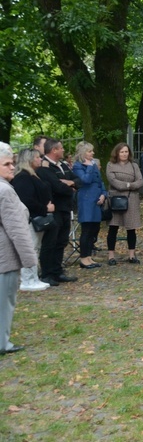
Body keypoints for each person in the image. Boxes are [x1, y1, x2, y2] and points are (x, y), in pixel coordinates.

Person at [0, 142, 38, 355]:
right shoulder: (5, 191)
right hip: (4, 257)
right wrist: (30, 260)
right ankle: (2, 343)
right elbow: (17, 230)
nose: (12, 167)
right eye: (6, 164)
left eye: (12, 163)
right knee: (4, 302)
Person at [37, 139, 80, 285]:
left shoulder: (63, 165)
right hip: (54, 208)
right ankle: (47, 273)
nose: (63, 150)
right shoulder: (44, 167)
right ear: (54, 150)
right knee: (50, 241)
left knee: (62, 240)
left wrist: (71, 183)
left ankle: (57, 271)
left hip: (66, 208)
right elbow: (56, 187)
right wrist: (69, 186)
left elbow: (78, 180)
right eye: (61, 148)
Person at [11, 148, 54, 291]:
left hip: (36, 216)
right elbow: (26, 200)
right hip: (30, 218)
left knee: (35, 247)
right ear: (29, 160)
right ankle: (27, 280)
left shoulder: (32, 175)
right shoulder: (23, 177)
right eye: (37, 157)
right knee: (31, 248)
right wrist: (45, 208)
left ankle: (34, 277)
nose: (40, 159)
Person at [105, 143, 143, 265]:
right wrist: (129, 185)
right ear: (117, 153)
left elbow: (140, 181)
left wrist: (127, 186)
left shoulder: (134, 166)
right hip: (115, 199)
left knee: (131, 228)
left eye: (126, 151)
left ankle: (132, 255)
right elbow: (113, 181)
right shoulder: (111, 165)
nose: (124, 154)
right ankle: (111, 256)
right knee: (113, 228)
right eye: (122, 152)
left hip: (131, 199)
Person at [72, 141, 108, 269]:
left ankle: (88, 257)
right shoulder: (78, 166)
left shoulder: (93, 164)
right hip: (86, 200)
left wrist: (103, 194)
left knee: (94, 229)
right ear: (83, 153)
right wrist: (90, 167)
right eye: (89, 151)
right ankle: (83, 258)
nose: (92, 153)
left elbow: (101, 182)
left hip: (97, 200)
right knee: (86, 230)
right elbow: (85, 180)